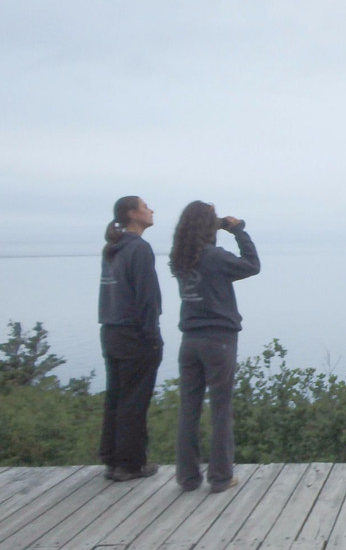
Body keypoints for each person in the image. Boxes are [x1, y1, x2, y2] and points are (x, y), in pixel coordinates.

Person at [169, 201, 260, 493]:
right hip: (219, 339)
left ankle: (187, 477)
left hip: (189, 340)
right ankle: (220, 477)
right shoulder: (213, 256)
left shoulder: (180, 257)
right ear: (209, 225)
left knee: (189, 408)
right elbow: (252, 265)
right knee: (221, 409)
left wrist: (215, 226)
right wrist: (238, 231)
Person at [98, 195, 163, 481]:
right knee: (135, 400)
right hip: (134, 333)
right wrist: (152, 336)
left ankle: (112, 458)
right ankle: (130, 464)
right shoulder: (139, 248)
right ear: (132, 214)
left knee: (116, 397)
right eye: (145, 207)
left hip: (111, 329)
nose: (151, 210)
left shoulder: (112, 248)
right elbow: (147, 298)